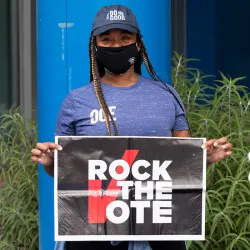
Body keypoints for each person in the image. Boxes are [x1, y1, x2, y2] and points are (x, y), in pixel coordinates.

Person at [31, 4, 233, 250]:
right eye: (106, 39)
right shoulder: (76, 101)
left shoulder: (166, 95)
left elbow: (181, 162)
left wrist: (205, 158)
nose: (116, 46)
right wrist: (52, 162)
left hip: (158, 232)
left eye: (124, 38)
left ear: (138, 44)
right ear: (95, 46)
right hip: (93, 231)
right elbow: (66, 170)